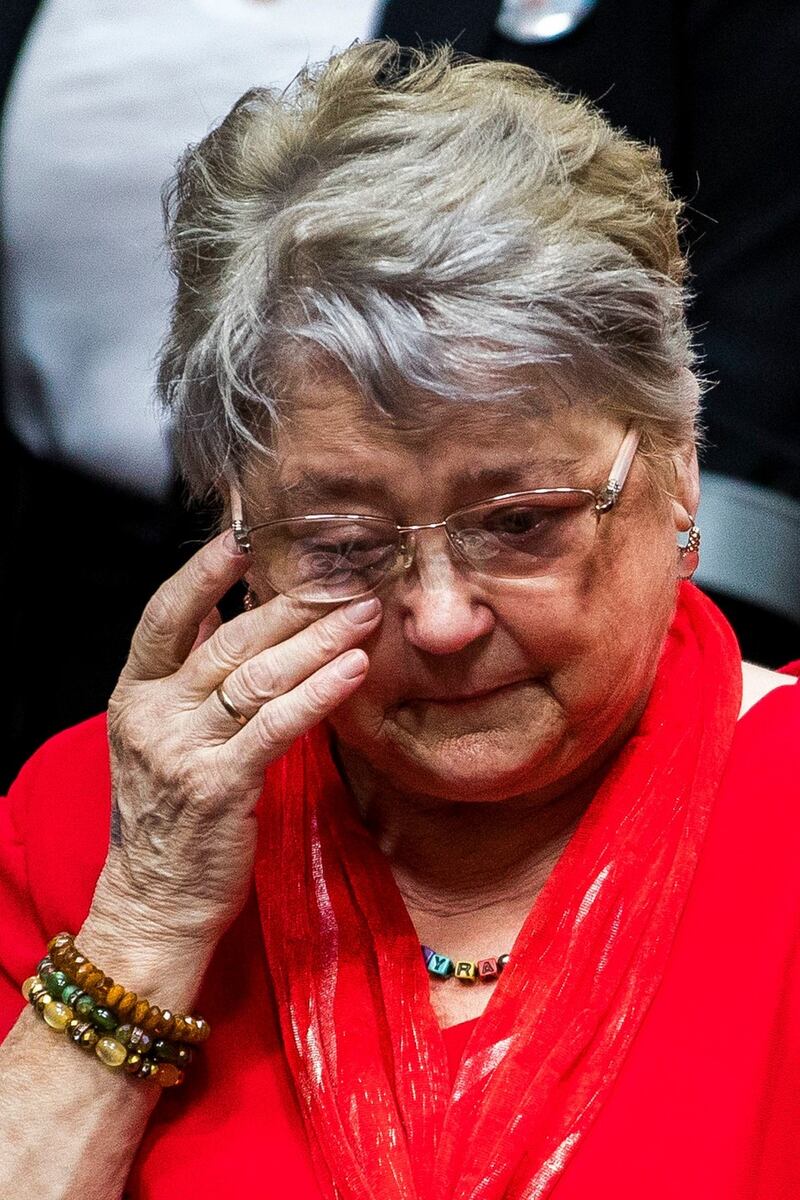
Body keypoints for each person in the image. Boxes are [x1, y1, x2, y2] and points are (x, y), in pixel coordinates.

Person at [0, 41, 798, 1199]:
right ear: (239, 528)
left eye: (518, 522)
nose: (436, 618)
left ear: (676, 467)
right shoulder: (99, 825)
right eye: (342, 547)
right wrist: (146, 923)